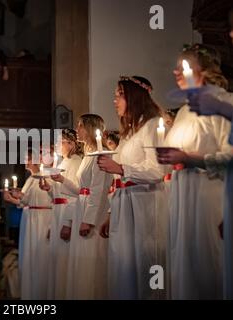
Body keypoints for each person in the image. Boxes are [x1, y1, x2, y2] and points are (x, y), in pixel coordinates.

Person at [156, 44, 231, 300]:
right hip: (181, 195)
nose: (176, 71)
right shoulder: (186, 110)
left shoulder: (224, 102)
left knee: (208, 265)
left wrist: (190, 158)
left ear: (204, 69)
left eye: (184, 65)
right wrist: (169, 156)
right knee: (182, 265)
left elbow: (229, 156)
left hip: (209, 195)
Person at [97, 76, 167, 300]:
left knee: (148, 264)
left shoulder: (153, 124)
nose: (114, 100)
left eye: (119, 95)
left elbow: (158, 171)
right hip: (124, 206)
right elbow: (119, 175)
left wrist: (120, 167)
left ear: (134, 97)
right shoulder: (128, 133)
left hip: (145, 205)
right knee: (126, 267)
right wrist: (110, 213)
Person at [56, 114, 111, 299]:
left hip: (93, 212)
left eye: (80, 126)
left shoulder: (100, 155)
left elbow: (99, 190)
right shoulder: (88, 156)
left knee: (92, 260)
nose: (77, 129)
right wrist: (62, 179)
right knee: (81, 261)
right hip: (82, 207)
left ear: (90, 128)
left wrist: (89, 221)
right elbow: (80, 190)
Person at [38, 129, 82, 299]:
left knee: (65, 259)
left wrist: (68, 222)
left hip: (67, 212)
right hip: (57, 212)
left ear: (71, 143)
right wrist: (49, 189)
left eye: (60, 142)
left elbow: (76, 193)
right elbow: (57, 194)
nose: (57, 146)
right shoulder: (63, 162)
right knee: (57, 259)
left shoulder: (77, 162)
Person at [3, 149, 52, 299]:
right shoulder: (31, 178)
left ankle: (39, 293)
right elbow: (24, 201)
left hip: (42, 219)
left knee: (40, 257)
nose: (25, 161)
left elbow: (43, 199)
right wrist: (12, 198)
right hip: (29, 219)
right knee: (28, 257)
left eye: (28, 158)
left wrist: (20, 197)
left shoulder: (46, 176)